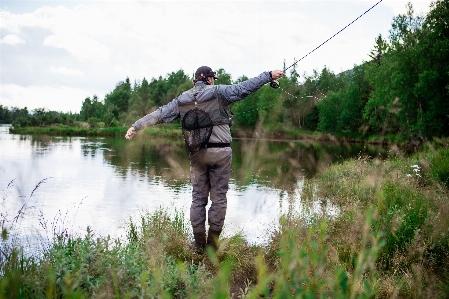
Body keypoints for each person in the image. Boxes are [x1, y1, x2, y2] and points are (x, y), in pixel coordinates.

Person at [125, 66, 284, 253]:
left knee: (198, 199)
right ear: (208, 79)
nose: (214, 81)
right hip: (221, 153)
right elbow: (244, 88)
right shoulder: (219, 92)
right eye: (213, 78)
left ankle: (198, 245)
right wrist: (268, 76)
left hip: (197, 154)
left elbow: (159, 114)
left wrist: (136, 126)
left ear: (195, 80)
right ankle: (213, 246)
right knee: (218, 198)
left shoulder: (182, 99)